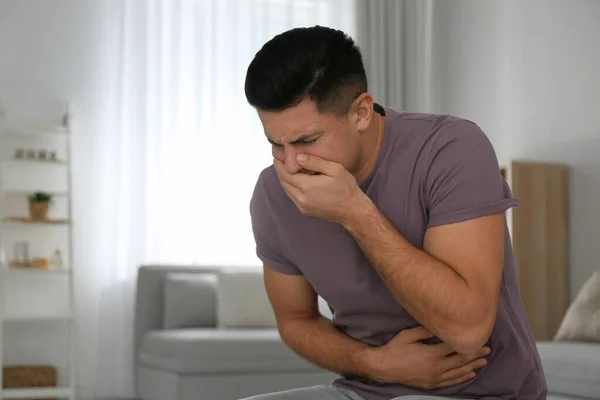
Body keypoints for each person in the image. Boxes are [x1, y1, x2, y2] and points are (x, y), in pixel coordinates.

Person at [243, 25, 547, 400]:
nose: (290, 165)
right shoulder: (273, 192)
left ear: (361, 113)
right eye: (276, 144)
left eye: (307, 141)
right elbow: (295, 320)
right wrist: (376, 364)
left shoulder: (450, 150)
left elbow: (468, 330)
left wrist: (355, 212)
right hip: (366, 388)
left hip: (486, 392)